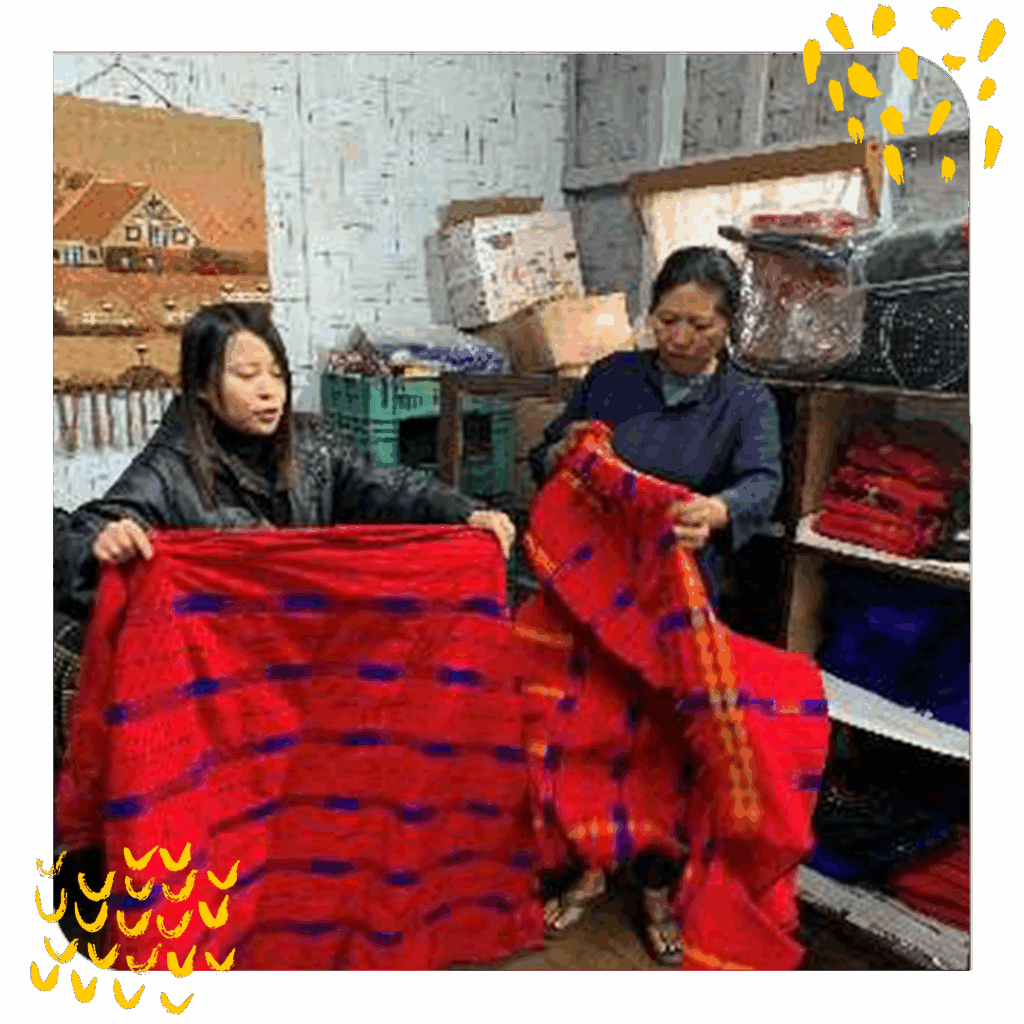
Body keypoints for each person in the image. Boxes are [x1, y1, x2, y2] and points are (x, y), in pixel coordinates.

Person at [526, 246, 783, 964]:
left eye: (699, 325)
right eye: (666, 319)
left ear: (728, 326)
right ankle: (588, 868)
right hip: (596, 593)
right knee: (591, 730)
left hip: (677, 598)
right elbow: (548, 453)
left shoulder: (746, 401)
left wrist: (720, 511)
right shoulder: (612, 378)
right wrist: (561, 451)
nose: (678, 336)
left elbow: (763, 481)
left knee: (666, 748)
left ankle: (656, 889)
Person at [57, 303, 515, 620]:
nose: (268, 390)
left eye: (277, 374)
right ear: (200, 387)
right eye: (246, 375)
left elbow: (388, 485)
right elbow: (75, 537)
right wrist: (103, 542)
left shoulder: (312, 442)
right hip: (226, 663)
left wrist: (465, 512)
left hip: (308, 642)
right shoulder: (170, 466)